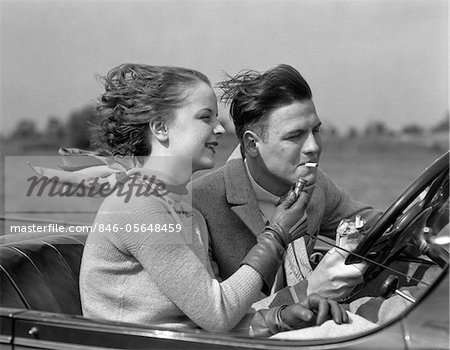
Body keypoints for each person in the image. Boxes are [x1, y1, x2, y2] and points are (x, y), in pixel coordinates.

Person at [78, 63, 347, 337]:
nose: (219, 129)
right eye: (205, 117)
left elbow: (212, 321)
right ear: (160, 127)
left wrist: (279, 318)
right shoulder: (137, 203)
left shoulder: (187, 212)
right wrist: (277, 235)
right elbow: (218, 315)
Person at [192, 64, 383, 305]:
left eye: (316, 130)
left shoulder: (314, 184)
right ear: (252, 144)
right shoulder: (199, 203)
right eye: (295, 136)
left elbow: (376, 224)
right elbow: (216, 317)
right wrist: (310, 291)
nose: (313, 147)